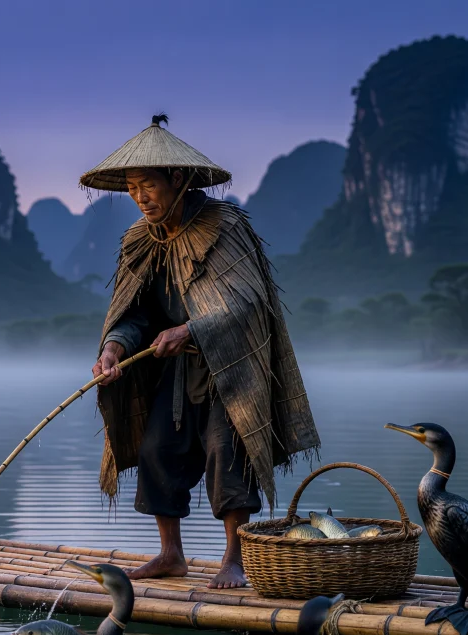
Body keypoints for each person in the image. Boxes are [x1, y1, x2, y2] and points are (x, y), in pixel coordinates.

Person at [83, 115, 320, 589]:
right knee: (155, 451)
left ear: (177, 178)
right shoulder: (139, 242)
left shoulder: (224, 226)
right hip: (173, 375)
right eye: (131, 189)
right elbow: (135, 315)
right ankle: (172, 554)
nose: (140, 198)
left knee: (226, 453)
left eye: (147, 185)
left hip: (227, 368)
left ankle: (234, 557)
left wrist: (190, 330)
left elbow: (246, 302)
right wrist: (113, 348)